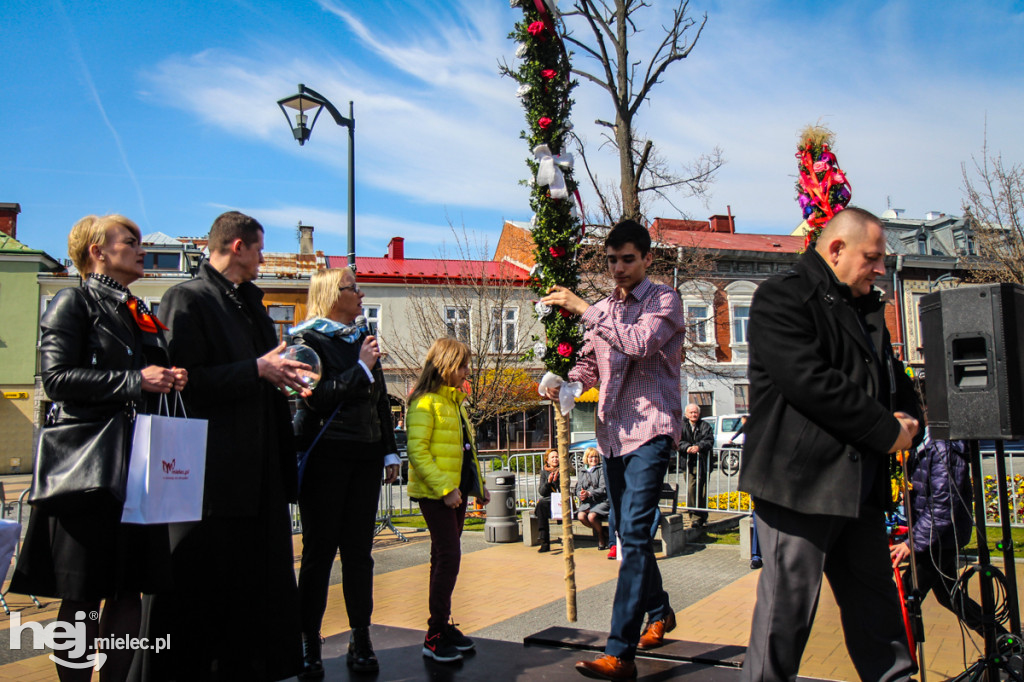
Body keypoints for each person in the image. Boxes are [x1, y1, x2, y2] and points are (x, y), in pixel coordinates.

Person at [738, 207, 924, 682]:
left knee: (878, 616)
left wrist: (912, 418)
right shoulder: (782, 297)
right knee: (785, 620)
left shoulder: (863, 305)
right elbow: (812, 383)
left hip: (857, 488)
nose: (880, 268)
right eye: (873, 257)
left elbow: (888, 374)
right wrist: (888, 431)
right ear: (837, 249)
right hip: (799, 487)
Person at [11, 214, 187, 681]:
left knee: (130, 591)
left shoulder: (138, 311)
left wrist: (167, 377)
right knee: (84, 596)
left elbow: (143, 380)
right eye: (130, 242)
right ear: (97, 250)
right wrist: (136, 380)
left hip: (137, 468)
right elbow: (57, 379)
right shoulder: (74, 301)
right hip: (89, 471)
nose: (140, 250)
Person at [143, 211, 312, 681]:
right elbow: (186, 382)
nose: (263, 258)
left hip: (258, 472)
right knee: (208, 590)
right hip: (213, 479)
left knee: (257, 588)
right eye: (259, 248)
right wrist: (257, 370)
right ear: (237, 246)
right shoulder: (186, 299)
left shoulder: (249, 304)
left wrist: (282, 375)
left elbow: (262, 369)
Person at [542, 219, 684, 681]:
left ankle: (620, 653)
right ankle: (660, 611)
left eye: (628, 259)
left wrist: (584, 307)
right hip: (611, 433)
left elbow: (640, 343)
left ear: (646, 259)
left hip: (652, 428)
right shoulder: (601, 309)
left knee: (636, 536)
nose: (619, 268)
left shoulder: (664, 300)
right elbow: (589, 364)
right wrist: (565, 383)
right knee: (628, 533)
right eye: (612, 260)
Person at [289, 268, 401, 677]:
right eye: (354, 288)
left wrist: (389, 453)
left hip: (365, 456)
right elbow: (315, 399)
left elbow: (379, 404)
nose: (361, 293)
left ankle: (361, 635)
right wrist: (362, 367)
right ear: (332, 294)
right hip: (325, 456)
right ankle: (308, 640)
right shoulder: (306, 341)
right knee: (318, 553)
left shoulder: (362, 340)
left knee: (359, 554)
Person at [406, 338, 490, 664]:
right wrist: (445, 489)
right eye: (463, 365)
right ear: (445, 366)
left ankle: (441, 625)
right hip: (437, 495)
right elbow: (417, 451)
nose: (467, 371)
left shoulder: (455, 403)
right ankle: (434, 633)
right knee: (449, 557)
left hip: (454, 494)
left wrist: (477, 487)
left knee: (442, 559)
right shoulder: (424, 403)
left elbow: (466, 450)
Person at [890, 430, 1001, 638]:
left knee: (906, 598)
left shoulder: (943, 448)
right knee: (950, 597)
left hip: (939, 539)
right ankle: (1004, 642)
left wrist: (911, 543)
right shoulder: (920, 444)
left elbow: (943, 504)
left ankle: (901, 661)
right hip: (933, 537)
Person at [679, 403, 714, 530]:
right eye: (691, 412)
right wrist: (687, 448)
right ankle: (694, 517)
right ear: (686, 414)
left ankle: (702, 517)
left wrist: (698, 447)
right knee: (691, 489)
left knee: (703, 491)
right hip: (688, 463)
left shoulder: (705, 426)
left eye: (695, 412)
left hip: (703, 463)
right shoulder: (682, 426)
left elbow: (709, 440)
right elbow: (678, 441)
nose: (693, 415)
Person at [576, 447, 610, 550]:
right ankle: (603, 531)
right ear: (586, 458)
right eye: (591, 457)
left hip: (601, 500)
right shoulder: (582, 471)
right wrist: (581, 494)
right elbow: (578, 488)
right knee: (581, 516)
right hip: (588, 502)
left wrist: (590, 493)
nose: (593, 459)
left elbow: (603, 488)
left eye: (595, 456)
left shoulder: (601, 469)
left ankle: (600, 537)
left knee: (591, 517)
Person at [535, 449, 561, 553]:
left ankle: (543, 539)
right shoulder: (544, 471)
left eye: (556, 457)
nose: (555, 459)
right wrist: (548, 482)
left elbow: (564, 489)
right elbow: (542, 491)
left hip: (560, 500)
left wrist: (556, 481)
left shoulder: (563, 470)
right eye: (552, 457)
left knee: (541, 506)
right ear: (547, 461)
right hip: (548, 501)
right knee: (541, 504)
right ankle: (544, 540)